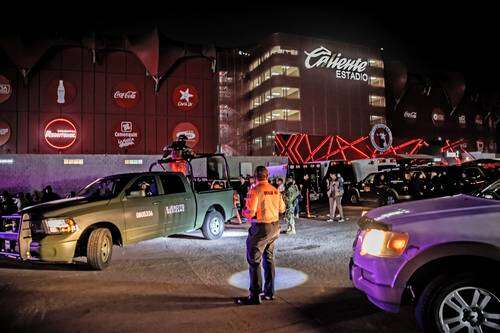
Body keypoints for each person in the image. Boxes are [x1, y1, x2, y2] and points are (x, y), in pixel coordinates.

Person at [236, 166, 285, 305]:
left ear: (255, 176)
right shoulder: (275, 190)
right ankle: (270, 292)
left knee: (254, 260)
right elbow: (282, 208)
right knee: (269, 259)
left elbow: (249, 212)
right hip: (274, 227)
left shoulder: (255, 190)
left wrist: (243, 211)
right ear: (267, 175)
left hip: (260, 229)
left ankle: (255, 295)